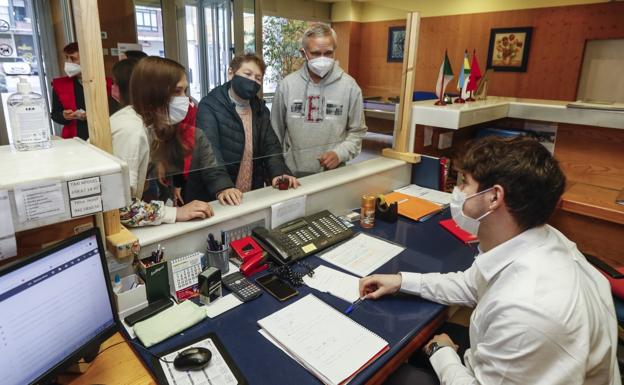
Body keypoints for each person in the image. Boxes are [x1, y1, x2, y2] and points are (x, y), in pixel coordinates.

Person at [360, 136, 621, 385]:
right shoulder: (538, 238)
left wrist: (441, 353)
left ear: (494, 197)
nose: (456, 191)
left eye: (464, 183)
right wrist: (401, 281)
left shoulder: (529, 311)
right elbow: (471, 284)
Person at [110, 56, 236, 226]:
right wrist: (176, 213)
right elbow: (121, 210)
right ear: (154, 92)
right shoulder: (132, 131)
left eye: (185, 91)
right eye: (177, 91)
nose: (185, 99)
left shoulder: (144, 123)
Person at [196, 53, 299, 198]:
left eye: (258, 78)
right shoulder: (209, 106)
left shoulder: (260, 109)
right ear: (231, 73)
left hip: (250, 192)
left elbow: (271, 145)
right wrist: (223, 186)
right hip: (216, 195)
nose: (252, 81)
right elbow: (209, 152)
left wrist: (279, 173)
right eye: (247, 74)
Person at [271, 23, 367, 177]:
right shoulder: (287, 86)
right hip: (291, 174)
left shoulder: (350, 87)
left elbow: (357, 132)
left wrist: (339, 154)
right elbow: (275, 132)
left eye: (328, 53)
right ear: (303, 53)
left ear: (334, 52)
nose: (322, 58)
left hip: (332, 175)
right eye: (316, 53)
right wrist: (276, 169)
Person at [50, 42, 113, 139]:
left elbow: (115, 112)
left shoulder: (107, 83)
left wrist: (94, 115)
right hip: (74, 137)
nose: (68, 63)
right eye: (67, 58)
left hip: (103, 135)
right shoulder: (60, 85)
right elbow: (55, 114)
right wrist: (64, 116)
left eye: (73, 59)